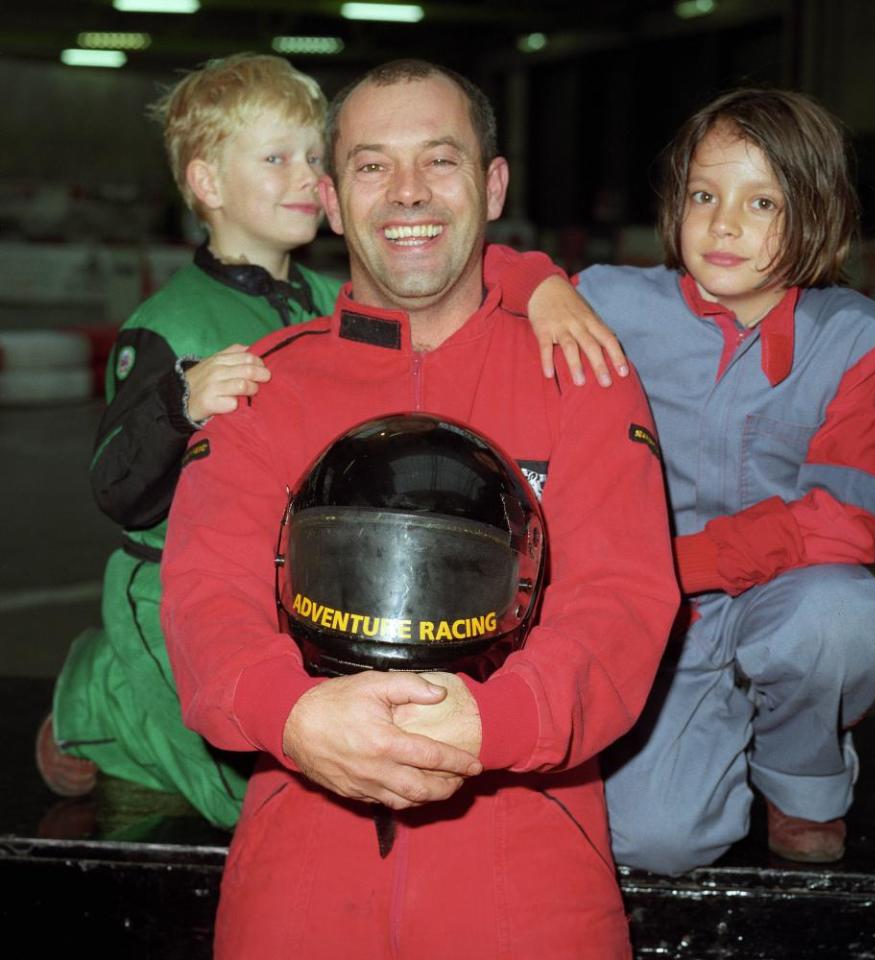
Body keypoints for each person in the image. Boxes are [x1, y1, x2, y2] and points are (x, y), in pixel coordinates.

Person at [160, 59, 678, 958]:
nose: (407, 193)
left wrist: (498, 722)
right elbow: (206, 594)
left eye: (440, 161)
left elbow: (622, 600)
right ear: (328, 196)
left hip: (532, 880)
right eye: (370, 165)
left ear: (492, 183)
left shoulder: (583, 374)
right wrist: (292, 715)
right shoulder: (262, 385)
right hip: (299, 874)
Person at [37, 53, 621, 830]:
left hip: (292, 559)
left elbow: (431, 271)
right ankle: (97, 695)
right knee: (235, 799)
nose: (305, 176)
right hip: (163, 580)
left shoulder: (320, 296)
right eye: (276, 158)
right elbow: (116, 487)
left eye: (314, 157)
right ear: (207, 185)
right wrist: (179, 405)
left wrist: (537, 281)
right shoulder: (168, 325)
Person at [567, 89, 875, 873]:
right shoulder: (612, 303)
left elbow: (846, 521)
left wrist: (683, 564)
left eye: (763, 203)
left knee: (839, 618)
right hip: (650, 614)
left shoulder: (857, 336)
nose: (723, 225)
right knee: (657, 842)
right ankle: (718, 734)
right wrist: (542, 290)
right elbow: (490, 287)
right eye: (703, 195)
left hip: (776, 594)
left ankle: (804, 779)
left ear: (819, 214)